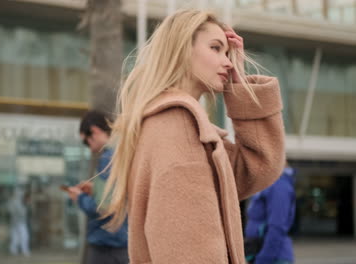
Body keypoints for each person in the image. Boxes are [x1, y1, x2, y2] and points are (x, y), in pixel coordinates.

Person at [99, 9, 286, 264]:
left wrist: (240, 85)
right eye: (215, 48)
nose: (228, 62)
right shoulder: (179, 129)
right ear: (182, 49)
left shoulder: (168, 124)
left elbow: (258, 165)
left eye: (227, 53)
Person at [66, 110, 129, 264]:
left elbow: (103, 207)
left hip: (106, 245)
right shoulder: (122, 152)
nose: (90, 148)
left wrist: (79, 198)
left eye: (86, 141)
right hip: (124, 242)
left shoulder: (107, 157)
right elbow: (118, 196)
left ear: (94, 131)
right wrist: (95, 189)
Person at [244, 166, 296, 264]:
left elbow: (277, 226)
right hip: (259, 252)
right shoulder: (269, 183)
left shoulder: (279, 186)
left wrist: (263, 259)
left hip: (272, 257)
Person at [8, 187, 30, 256]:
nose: (21, 195)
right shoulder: (15, 202)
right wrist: (25, 208)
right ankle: (24, 251)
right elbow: (21, 212)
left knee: (15, 237)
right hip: (19, 222)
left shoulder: (13, 201)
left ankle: (13, 250)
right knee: (24, 236)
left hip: (15, 222)